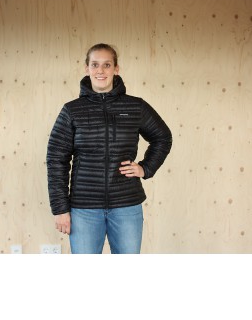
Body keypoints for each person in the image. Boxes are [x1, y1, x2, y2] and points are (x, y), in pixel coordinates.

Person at [46, 43, 172, 254]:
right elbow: (56, 159)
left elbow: (163, 137)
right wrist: (60, 209)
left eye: (107, 65)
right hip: (84, 209)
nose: (101, 70)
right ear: (87, 68)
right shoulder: (72, 110)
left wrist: (145, 168)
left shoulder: (135, 106)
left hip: (126, 206)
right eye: (95, 65)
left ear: (116, 68)